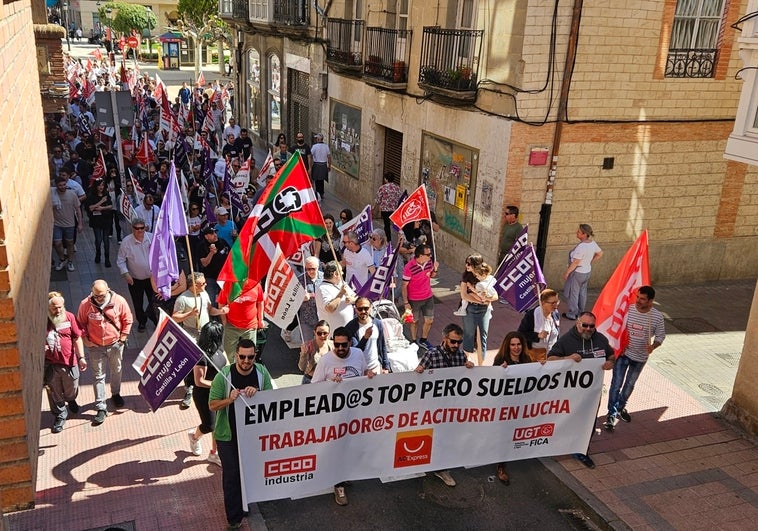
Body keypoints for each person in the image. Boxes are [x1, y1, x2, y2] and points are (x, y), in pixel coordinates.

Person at [209, 338, 273, 529]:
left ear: (255, 357)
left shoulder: (262, 373)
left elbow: (272, 399)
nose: (246, 361)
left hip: (252, 436)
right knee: (231, 475)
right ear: (235, 355)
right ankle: (234, 519)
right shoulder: (223, 377)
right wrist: (229, 400)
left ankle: (244, 505)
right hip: (228, 436)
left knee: (248, 473)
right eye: (242, 357)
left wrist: (259, 393)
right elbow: (212, 405)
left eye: (250, 357)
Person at [311, 327, 376, 506]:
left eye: (344, 345)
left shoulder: (357, 354)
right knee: (337, 448)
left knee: (350, 446)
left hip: (355, 412)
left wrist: (369, 375)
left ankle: (344, 474)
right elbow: (314, 386)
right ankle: (338, 485)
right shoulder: (325, 361)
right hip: (334, 416)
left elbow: (362, 374)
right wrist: (330, 385)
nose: (340, 348)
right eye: (337, 345)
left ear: (350, 343)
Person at [548, 311, 614, 469]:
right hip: (570, 393)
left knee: (589, 421)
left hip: (592, 393)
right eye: (585, 325)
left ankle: (581, 450)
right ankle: (560, 443)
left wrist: (610, 362)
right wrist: (567, 359)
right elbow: (550, 360)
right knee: (568, 420)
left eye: (592, 326)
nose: (588, 329)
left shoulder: (600, 339)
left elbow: (611, 355)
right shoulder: (566, 340)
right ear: (578, 324)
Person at [414, 323, 474, 487]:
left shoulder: (460, 355)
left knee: (447, 437)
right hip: (434, 406)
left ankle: (441, 467)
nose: (456, 345)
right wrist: (419, 371)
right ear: (444, 339)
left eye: (458, 342)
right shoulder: (432, 354)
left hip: (452, 406)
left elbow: (465, 377)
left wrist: (470, 367)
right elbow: (418, 375)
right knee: (435, 436)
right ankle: (435, 465)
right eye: (453, 341)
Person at [605, 286, 666, 431]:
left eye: (642, 299)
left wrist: (654, 346)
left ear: (651, 301)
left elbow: (660, 336)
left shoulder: (656, 317)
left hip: (639, 358)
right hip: (623, 355)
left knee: (629, 385)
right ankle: (611, 413)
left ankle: (621, 407)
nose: (638, 301)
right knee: (616, 384)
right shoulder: (628, 310)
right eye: (637, 297)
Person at [76, 280, 133, 425]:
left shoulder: (119, 301)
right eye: (96, 296)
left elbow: (128, 319)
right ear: (92, 292)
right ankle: (101, 406)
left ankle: (115, 393)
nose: (99, 298)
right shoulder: (85, 305)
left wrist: (123, 337)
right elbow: (80, 323)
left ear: (108, 290)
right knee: (98, 376)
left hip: (114, 344)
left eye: (102, 295)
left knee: (116, 370)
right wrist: (85, 339)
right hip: (95, 347)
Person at [492, 331, 532, 484]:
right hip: (506, 406)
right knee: (505, 435)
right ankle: (501, 466)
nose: (516, 348)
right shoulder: (501, 360)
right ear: (507, 346)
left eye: (519, 344)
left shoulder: (527, 360)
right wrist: (499, 372)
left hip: (521, 404)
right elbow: (493, 383)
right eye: (513, 345)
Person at [45, 292, 86, 434]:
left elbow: (77, 337)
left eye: (60, 307)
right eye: (55, 308)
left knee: (72, 386)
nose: (58, 311)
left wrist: (81, 357)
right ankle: (60, 414)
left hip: (69, 362)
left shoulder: (69, 317)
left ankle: (71, 399)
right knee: (54, 391)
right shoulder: (43, 320)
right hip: (51, 364)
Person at [187, 321, 227, 467]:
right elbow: (199, 381)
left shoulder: (219, 348)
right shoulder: (201, 356)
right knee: (209, 425)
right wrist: (218, 385)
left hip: (219, 393)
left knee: (219, 424)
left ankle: (214, 453)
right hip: (205, 396)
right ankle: (194, 437)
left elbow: (224, 363)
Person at [117, 218, 156, 332]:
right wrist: (126, 274)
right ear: (132, 228)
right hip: (135, 279)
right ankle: (142, 321)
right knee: (137, 302)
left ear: (145, 228)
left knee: (153, 301)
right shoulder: (126, 242)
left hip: (152, 279)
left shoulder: (151, 238)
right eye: (137, 228)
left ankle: (155, 320)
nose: (140, 230)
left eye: (142, 228)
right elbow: (120, 260)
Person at [459, 255, 498, 365]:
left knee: (482, 337)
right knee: (468, 334)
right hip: (470, 308)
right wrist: (480, 300)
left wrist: (487, 298)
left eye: (469, 263)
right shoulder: (466, 277)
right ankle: (465, 361)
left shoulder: (486, 277)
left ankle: (481, 365)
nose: (466, 266)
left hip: (484, 310)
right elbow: (464, 295)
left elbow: (495, 296)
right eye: (466, 263)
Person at [562, 224, 603, 320]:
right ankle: (581, 311)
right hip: (587, 271)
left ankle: (572, 314)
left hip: (578, 272)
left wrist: (567, 272)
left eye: (579, 232)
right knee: (582, 292)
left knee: (574, 292)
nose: (577, 233)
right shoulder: (592, 244)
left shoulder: (582, 247)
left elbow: (576, 262)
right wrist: (590, 261)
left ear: (584, 234)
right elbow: (600, 253)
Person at [218, 280, 264, 364]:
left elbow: (260, 301)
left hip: (250, 326)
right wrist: (224, 321)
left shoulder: (256, 285)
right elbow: (221, 303)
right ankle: (231, 371)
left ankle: (247, 371)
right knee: (229, 354)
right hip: (231, 325)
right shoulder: (228, 285)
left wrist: (260, 320)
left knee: (249, 353)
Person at [401, 244, 438, 349]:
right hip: (414, 299)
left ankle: (423, 340)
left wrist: (435, 269)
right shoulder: (409, 267)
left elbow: (431, 275)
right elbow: (404, 286)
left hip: (428, 296)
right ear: (420, 255)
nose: (430, 256)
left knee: (429, 320)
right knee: (414, 321)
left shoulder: (429, 262)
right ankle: (413, 340)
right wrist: (406, 303)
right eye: (428, 254)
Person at [344, 297, 390, 375]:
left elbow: (382, 346)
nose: (363, 311)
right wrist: (365, 338)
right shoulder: (350, 327)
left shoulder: (377, 323)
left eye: (366, 308)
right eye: (360, 309)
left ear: (371, 308)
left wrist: (386, 366)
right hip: (358, 369)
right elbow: (355, 351)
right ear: (355, 309)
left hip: (375, 367)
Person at [282, 256, 322, 344]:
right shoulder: (300, 280)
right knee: (308, 345)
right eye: (308, 269)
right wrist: (301, 298)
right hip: (306, 319)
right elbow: (291, 298)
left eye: (313, 269)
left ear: (318, 267)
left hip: (322, 318)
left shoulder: (324, 278)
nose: (311, 271)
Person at [517, 288, 561, 361]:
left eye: (557, 302)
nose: (556, 306)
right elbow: (520, 334)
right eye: (553, 303)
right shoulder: (531, 315)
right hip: (535, 356)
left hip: (551, 355)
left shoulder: (555, 313)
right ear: (543, 302)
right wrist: (537, 335)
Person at [315, 261, 357, 332]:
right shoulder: (322, 289)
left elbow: (356, 297)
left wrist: (352, 300)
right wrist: (340, 294)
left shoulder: (342, 283)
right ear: (335, 274)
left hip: (348, 329)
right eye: (341, 271)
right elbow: (329, 308)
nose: (343, 273)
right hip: (333, 332)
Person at [52, 175, 82, 272]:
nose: (62, 187)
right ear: (56, 186)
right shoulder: (52, 195)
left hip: (70, 224)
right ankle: (62, 259)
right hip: (57, 224)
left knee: (70, 243)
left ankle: (70, 261)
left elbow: (78, 209)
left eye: (64, 184)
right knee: (57, 243)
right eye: (60, 185)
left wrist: (80, 224)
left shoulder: (72, 194)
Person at [198, 226, 231, 305]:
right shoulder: (202, 246)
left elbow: (231, 255)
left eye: (215, 232)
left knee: (225, 298)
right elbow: (204, 263)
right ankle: (213, 316)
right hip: (210, 277)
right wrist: (211, 253)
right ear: (206, 236)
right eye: (212, 233)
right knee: (211, 299)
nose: (215, 235)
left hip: (224, 276)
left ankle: (223, 315)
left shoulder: (222, 242)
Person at [84, 179, 114, 266]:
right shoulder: (91, 196)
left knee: (106, 239)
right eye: (99, 185)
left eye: (102, 185)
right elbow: (90, 208)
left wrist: (102, 208)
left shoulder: (106, 195)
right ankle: (98, 254)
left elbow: (110, 205)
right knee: (98, 239)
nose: (101, 187)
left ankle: (107, 258)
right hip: (96, 220)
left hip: (106, 219)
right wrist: (100, 202)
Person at [374, 171, 402, 241]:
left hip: (385, 210)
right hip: (394, 210)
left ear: (386, 179)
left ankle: (388, 240)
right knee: (396, 225)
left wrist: (374, 208)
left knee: (386, 225)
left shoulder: (382, 188)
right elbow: (400, 198)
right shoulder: (397, 188)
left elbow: (378, 200)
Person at [310, 132, 331, 199]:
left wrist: (310, 164)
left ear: (318, 139)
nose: (316, 139)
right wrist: (329, 165)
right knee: (321, 180)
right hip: (323, 165)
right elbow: (329, 156)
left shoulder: (314, 147)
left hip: (317, 164)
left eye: (316, 138)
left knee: (316, 180)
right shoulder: (326, 146)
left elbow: (311, 155)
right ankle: (321, 193)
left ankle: (318, 193)